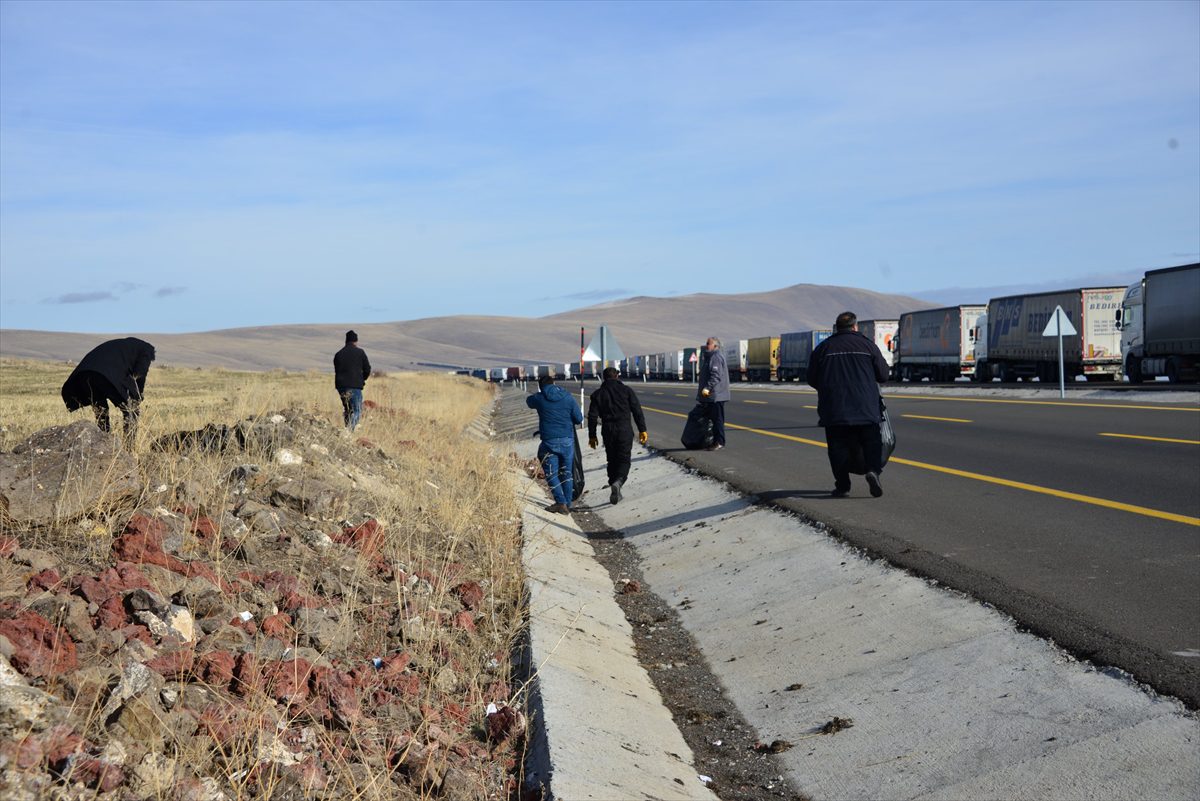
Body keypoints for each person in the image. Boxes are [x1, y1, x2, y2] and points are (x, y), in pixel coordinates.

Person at [807, 311, 890, 498]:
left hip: (835, 409)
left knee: (837, 449)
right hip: (866, 408)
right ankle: (873, 471)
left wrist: (828, 388)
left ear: (836, 327)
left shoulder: (823, 348)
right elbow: (884, 375)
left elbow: (811, 378)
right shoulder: (868, 346)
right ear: (855, 327)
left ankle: (843, 486)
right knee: (872, 444)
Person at [61, 337, 156, 436]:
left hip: (84, 374)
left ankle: (102, 441)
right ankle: (129, 448)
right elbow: (140, 374)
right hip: (106, 374)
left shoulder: (125, 345)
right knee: (131, 409)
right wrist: (138, 395)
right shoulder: (147, 350)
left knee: (101, 411)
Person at [587, 367, 649, 505]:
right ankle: (618, 482)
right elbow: (637, 411)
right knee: (624, 460)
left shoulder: (598, 394)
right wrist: (642, 430)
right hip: (624, 429)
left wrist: (592, 436)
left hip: (608, 430)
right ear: (617, 376)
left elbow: (592, 417)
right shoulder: (627, 391)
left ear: (604, 378)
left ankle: (614, 484)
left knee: (612, 460)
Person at [526, 374, 583, 514]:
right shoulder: (568, 397)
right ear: (555, 383)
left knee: (551, 473)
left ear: (541, 386)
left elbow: (528, 401)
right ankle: (567, 504)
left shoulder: (539, 398)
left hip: (549, 441)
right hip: (567, 441)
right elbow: (579, 418)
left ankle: (560, 502)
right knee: (567, 472)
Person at [697, 336, 730, 451]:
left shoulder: (715, 357)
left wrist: (707, 388)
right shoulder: (710, 357)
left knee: (718, 420)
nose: (706, 345)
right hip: (713, 396)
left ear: (715, 346)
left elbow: (715, 376)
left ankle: (719, 442)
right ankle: (715, 441)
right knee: (714, 420)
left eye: (708, 344)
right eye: (706, 343)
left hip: (716, 395)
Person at [334, 330, 371, 431]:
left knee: (348, 410)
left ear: (346, 341)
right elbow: (367, 369)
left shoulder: (338, 354)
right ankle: (348, 433)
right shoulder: (360, 352)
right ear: (356, 341)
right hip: (354, 386)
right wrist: (362, 379)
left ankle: (346, 430)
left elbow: (337, 370)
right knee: (357, 410)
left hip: (341, 387)